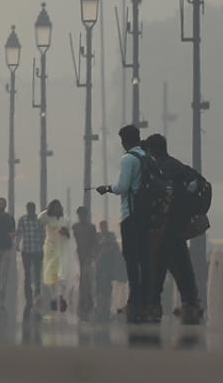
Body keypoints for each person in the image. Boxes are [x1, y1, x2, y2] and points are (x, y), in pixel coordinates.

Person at [141, 133, 203, 324]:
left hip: (163, 226)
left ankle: (153, 304)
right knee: (180, 266)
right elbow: (198, 183)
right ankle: (190, 304)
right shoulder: (179, 167)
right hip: (177, 226)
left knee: (159, 266)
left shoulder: (159, 169)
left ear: (151, 150)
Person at [96, 124, 149, 322]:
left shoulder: (128, 159)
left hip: (131, 216)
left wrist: (107, 188)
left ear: (125, 141)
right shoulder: (147, 157)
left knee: (132, 260)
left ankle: (134, 301)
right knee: (145, 259)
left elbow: (123, 187)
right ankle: (147, 301)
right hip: (147, 217)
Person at [41, 199, 71, 314]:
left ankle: (60, 297)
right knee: (50, 276)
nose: (57, 209)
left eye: (59, 207)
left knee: (62, 275)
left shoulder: (65, 220)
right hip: (50, 250)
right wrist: (47, 211)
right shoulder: (47, 219)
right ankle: (54, 298)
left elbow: (69, 236)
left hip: (62, 250)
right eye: (55, 207)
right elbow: (40, 218)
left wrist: (65, 233)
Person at [16, 202, 45, 318]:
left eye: (32, 209)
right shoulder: (23, 220)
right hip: (27, 250)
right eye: (29, 209)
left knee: (37, 274)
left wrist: (44, 244)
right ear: (27, 209)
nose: (31, 211)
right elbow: (19, 233)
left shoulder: (39, 221)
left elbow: (43, 235)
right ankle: (29, 297)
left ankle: (37, 294)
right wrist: (17, 244)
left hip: (37, 250)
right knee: (27, 274)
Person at [93, 222, 125, 322]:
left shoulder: (110, 236)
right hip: (100, 265)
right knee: (100, 287)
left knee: (106, 287)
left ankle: (105, 308)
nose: (104, 228)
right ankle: (100, 307)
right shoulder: (99, 236)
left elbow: (113, 247)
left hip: (108, 266)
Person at [72, 206, 98, 321]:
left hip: (87, 258)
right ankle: (84, 304)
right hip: (78, 257)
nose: (81, 217)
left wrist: (91, 256)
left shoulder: (91, 228)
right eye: (80, 215)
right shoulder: (75, 227)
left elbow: (94, 243)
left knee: (86, 281)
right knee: (82, 281)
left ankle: (87, 303)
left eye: (83, 214)